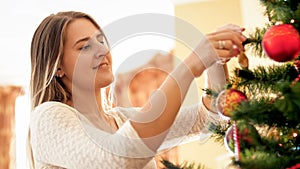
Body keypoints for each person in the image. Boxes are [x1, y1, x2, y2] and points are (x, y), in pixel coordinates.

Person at [28, 11, 246, 169]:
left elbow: (208, 119)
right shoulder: (48, 117)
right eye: (85, 46)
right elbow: (116, 160)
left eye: (101, 41)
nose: (103, 50)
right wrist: (191, 65)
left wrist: (214, 60)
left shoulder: (122, 119)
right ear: (57, 67)